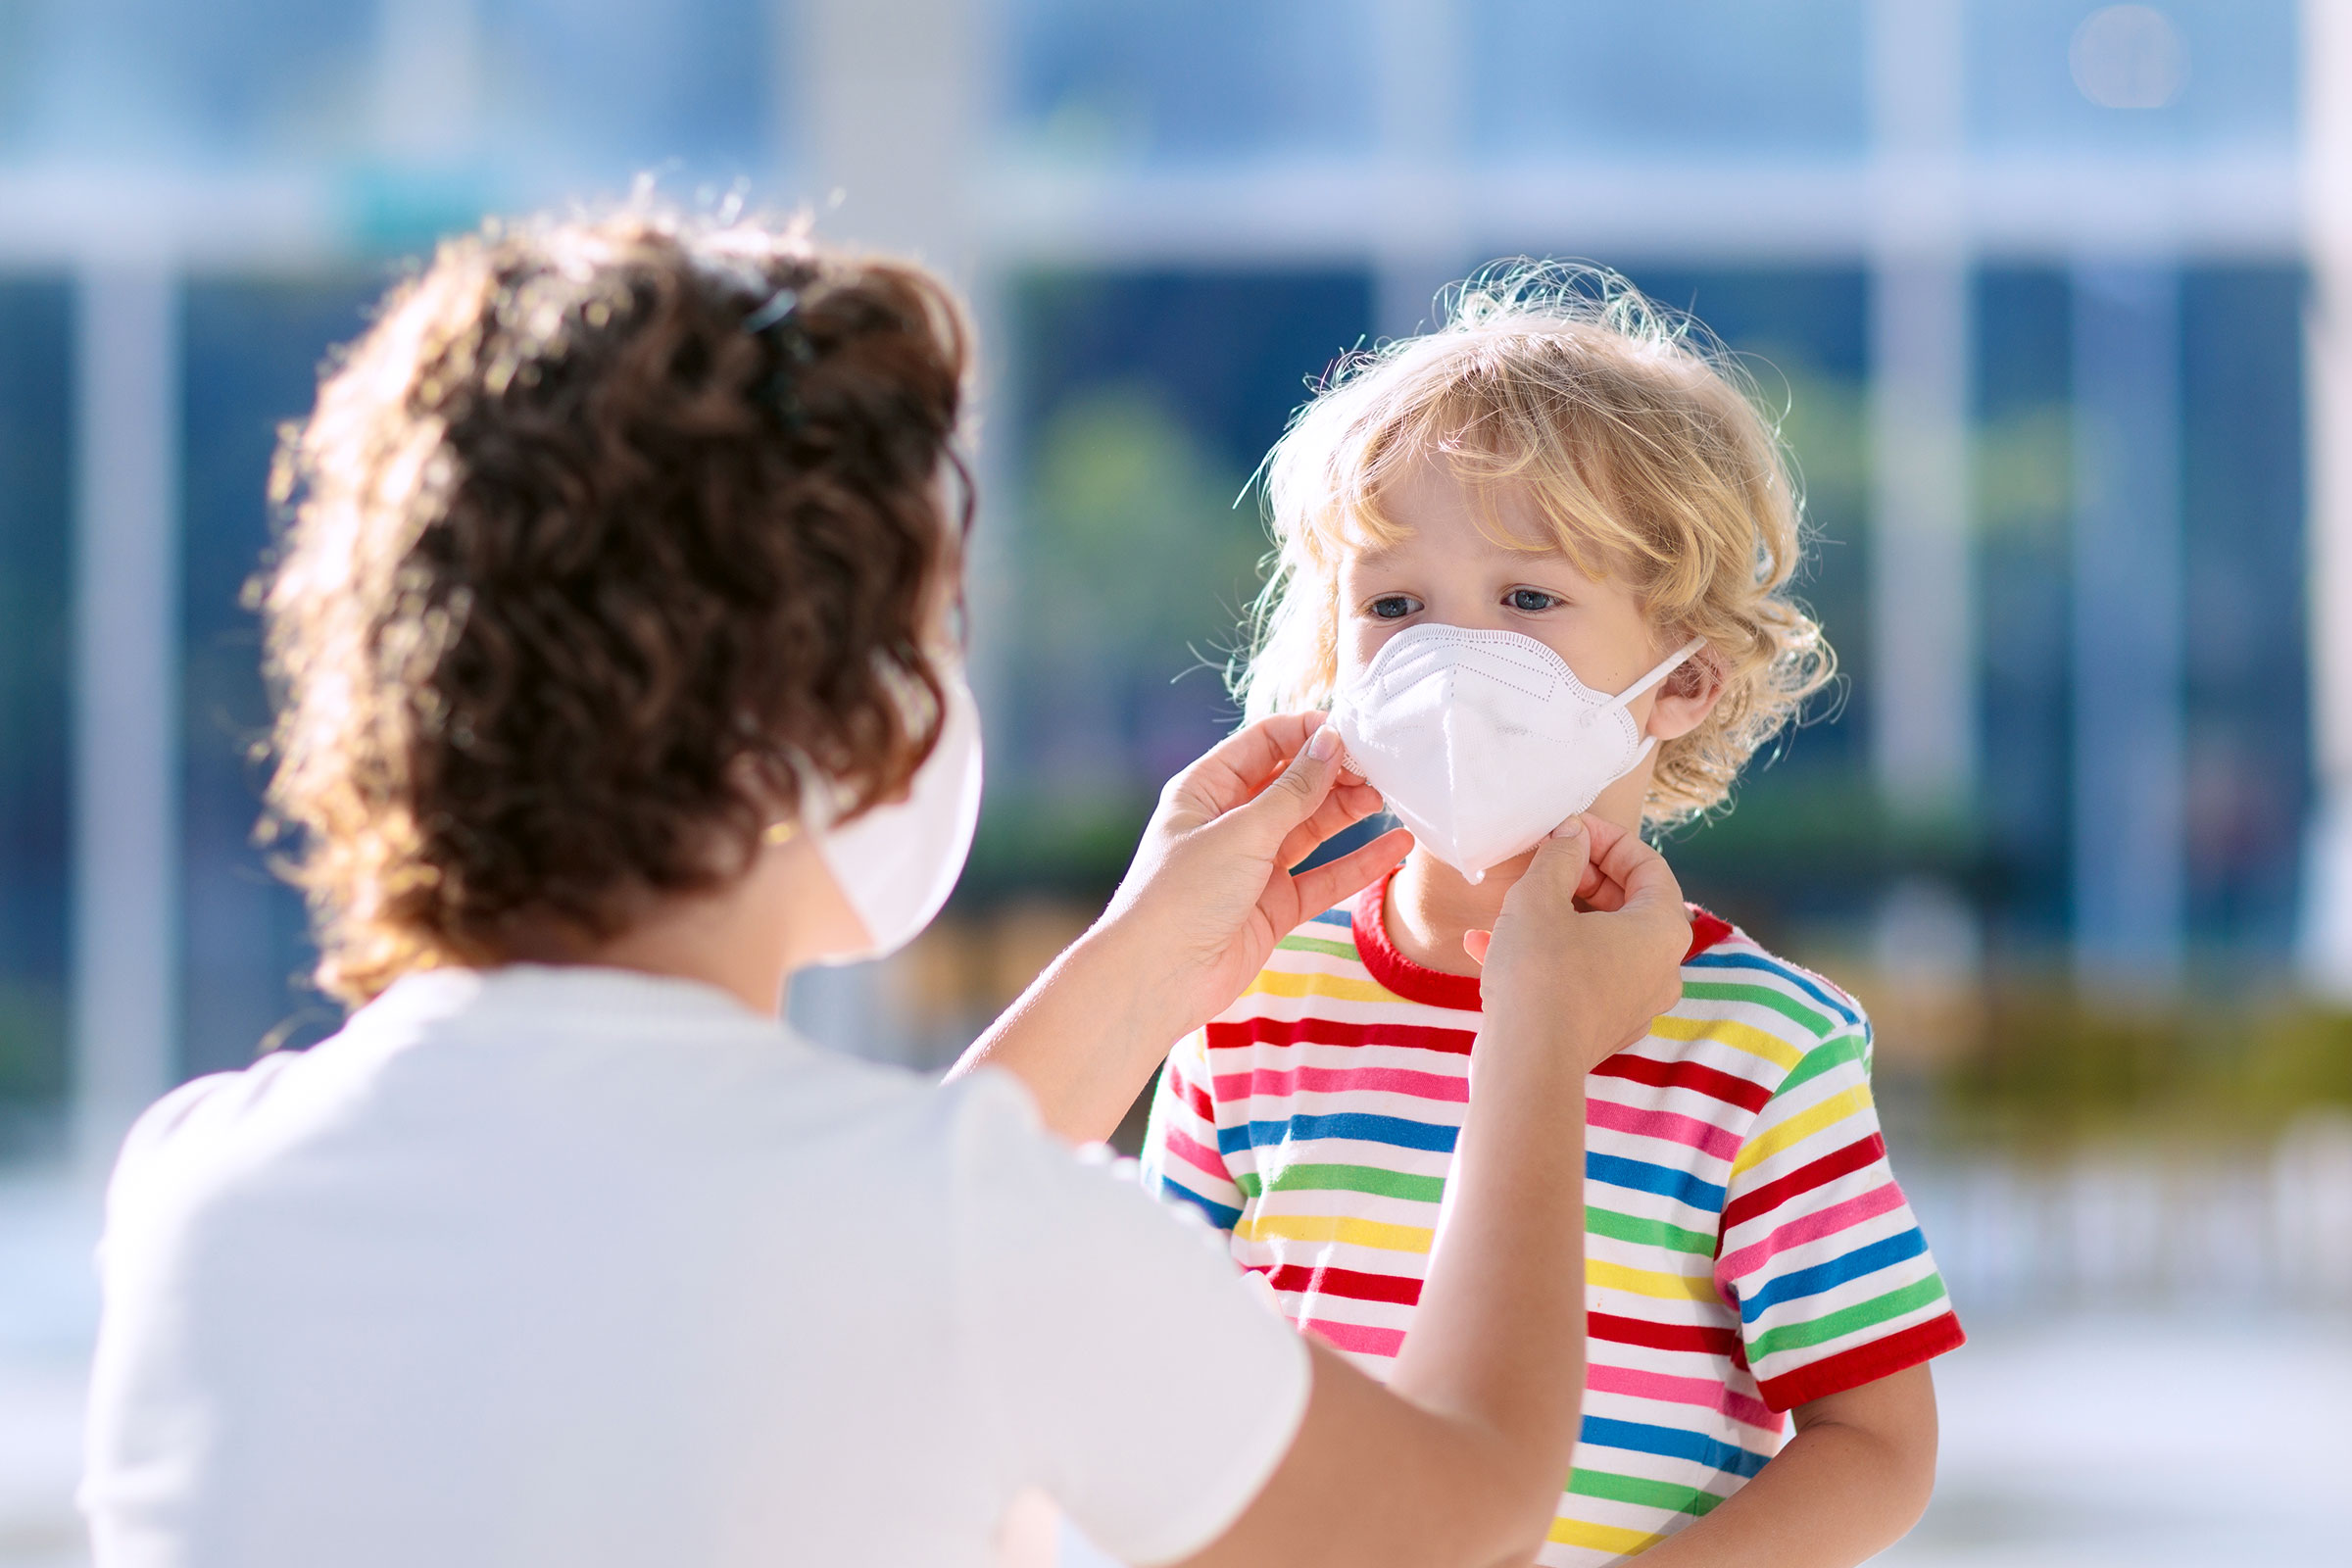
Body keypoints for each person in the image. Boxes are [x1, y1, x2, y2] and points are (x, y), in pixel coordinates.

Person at [77, 212, 1696, 1568]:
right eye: (933, 633)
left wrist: (1144, 963)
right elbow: (1465, 1506)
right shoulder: (970, 1243)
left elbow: (819, 1260)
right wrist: (1536, 1047)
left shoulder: (198, 1188)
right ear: (835, 713)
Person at [1139, 267, 1965, 1568]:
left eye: (1528, 599)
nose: (1451, 656)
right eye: (1394, 606)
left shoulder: (1762, 1046)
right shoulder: (1247, 1002)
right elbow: (1152, 1383)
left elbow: (1878, 1445)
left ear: (1685, 677)